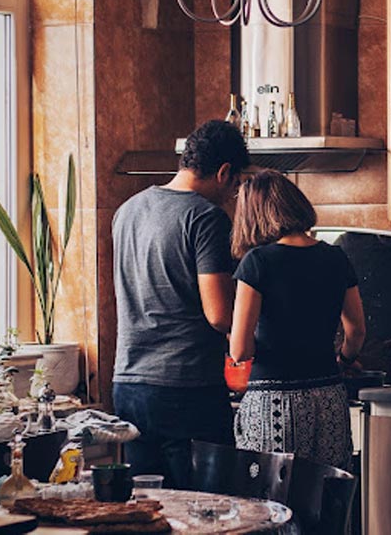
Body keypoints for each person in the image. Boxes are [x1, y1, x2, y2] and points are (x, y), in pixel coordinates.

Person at [111, 120, 250, 488]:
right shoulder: (206, 218)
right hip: (185, 388)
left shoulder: (126, 211)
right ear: (224, 172)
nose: (233, 194)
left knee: (151, 511)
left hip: (128, 385)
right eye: (236, 184)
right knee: (209, 512)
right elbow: (220, 315)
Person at [229, 170, 366, 470]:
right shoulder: (336, 257)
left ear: (253, 215)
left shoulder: (258, 262)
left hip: (274, 403)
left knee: (272, 507)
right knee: (326, 499)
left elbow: (240, 350)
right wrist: (343, 360)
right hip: (329, 397)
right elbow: (356, 330)